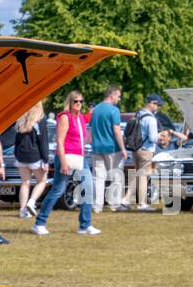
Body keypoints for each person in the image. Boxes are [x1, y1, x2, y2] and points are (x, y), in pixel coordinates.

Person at [33, 92, 98, 236]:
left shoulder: (80, 117)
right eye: (76, 101)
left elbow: (82, 138)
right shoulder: (65, 117)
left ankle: (85, 225)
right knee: (57, 190)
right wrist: (63, 162)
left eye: (81, 101)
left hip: (80, 158)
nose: (79, 104)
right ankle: (39, 223)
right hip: (66, 157)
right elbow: (60, 141)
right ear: (70, 101)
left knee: (88, 189)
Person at [88, 85, 126, 214]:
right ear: (112, 95)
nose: (119, 99)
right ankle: (115, 204)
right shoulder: (114, 110)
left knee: (98, 178)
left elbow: (91, 129)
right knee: (116, 176)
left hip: (97, 148)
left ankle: (97, 206)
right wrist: (123, 148)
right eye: (118, 96)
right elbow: (117, 131)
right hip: (112, 148)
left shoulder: (95, 110)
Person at [12, 103, 50, 219]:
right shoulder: (40, 119)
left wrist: (16, 154)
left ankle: (22, 211)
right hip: (35, 155)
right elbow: (43, 141)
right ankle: (31, 202)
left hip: (21, 155)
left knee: (25, 183)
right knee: (42, 181)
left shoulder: (21, 119)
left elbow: (16, 140)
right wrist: (46, 159)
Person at [127, 94, 163, 211]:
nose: (158, 107)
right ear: (151, 103)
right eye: (157, 104)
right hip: (146, 150)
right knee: (143, 176)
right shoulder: (151, 119)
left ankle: (126, 199)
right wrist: (159, 136)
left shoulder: (138, 114)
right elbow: (153, 138)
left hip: (136, 149)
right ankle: (142, 204)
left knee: (137, 175)